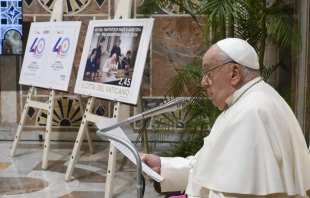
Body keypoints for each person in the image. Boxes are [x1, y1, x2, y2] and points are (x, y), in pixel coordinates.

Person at [141, 38, 310, 198]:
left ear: (234, 73)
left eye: (208, 72)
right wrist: (163, 167)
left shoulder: (251, 112)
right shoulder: (248, 101)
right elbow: (210, 166)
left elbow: (236, 191)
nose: (203, 82)